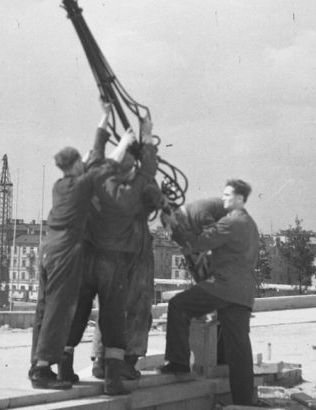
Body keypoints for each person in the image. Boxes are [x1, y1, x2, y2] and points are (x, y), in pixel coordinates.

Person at [28, 102, 133, 390]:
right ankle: (41, 370)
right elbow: (106, 164)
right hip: (64, 251)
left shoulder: (61, 185)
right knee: (59, 308)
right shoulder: (82, 184)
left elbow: (93, 157)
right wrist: (125, 141)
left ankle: (38, 363)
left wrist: (105, 118)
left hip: (48, 246)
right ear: (77, 164)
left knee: (45, 308)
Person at [64, 117, 158, 395]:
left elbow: (96, 159)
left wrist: (104, 128)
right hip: (120, 257)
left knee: (91, 314)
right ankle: (115, 371)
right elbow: (149, 175)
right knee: (119, 314)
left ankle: (80, 365)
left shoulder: (95, 182)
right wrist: (147, 136)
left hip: (96, 255)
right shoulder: (126, 190)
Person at [159, 179, 260, 406]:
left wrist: (182, 237)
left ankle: (179, 363)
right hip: (243, 291)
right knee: (239, 349)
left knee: (178, 305)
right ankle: (243, 402)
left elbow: (201, 243)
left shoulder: (224, 221)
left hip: (224, 285)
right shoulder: (248, 223)